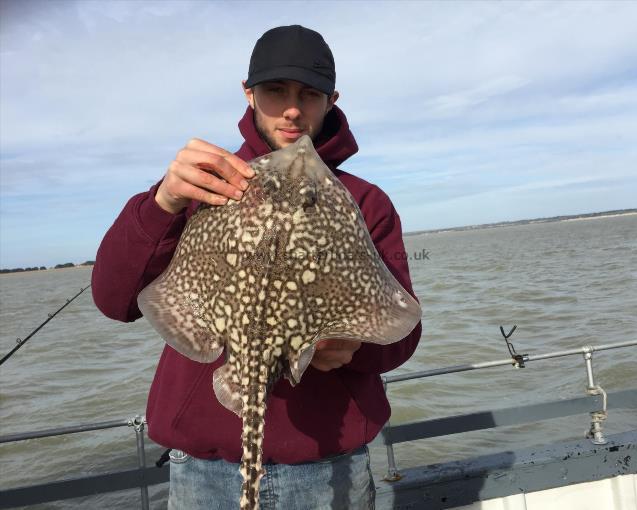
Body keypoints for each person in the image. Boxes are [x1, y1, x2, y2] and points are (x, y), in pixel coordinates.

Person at [92, 25, 421, 509]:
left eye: (309, 94)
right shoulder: (201, 187)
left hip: (326, 466)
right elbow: (114, 301)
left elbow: (401, 330)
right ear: (248, 94)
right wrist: (162, 201)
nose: (292, 109)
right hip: (202, 471)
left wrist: (354, 347)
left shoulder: (363, 200)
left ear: (331, 100)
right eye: (275, 91)